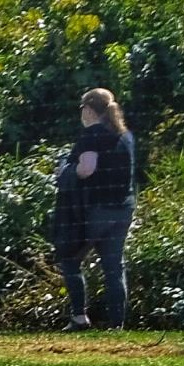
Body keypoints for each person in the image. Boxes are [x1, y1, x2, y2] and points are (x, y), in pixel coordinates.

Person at [58, 87, 136, 330]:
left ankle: (80, 317)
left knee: (69, 258)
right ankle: (117, 325)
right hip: (123, 209)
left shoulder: (92, 134)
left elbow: (87, 169)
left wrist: (65, 171)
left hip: (94, 211)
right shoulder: (126, 136)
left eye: (82, 108)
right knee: (114, 267)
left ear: (90, 109)